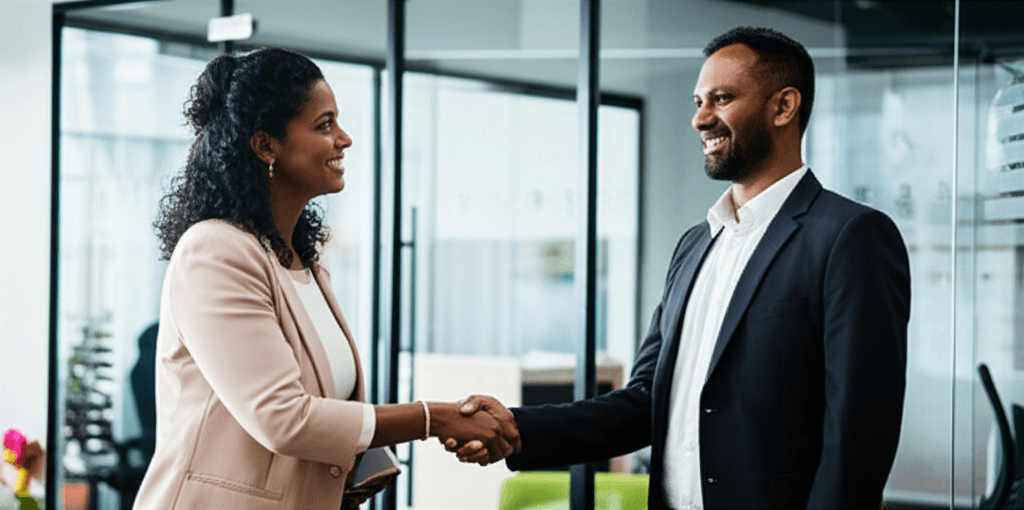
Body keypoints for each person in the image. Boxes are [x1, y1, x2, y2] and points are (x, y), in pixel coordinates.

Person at [452, 26, 911, 509]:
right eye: (697, 101)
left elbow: (859, 435)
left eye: (721, 98)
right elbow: (646, 400)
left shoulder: (849, 236)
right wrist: (516, 427)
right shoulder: (694, 246)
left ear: (783, 107)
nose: (700, 119)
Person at [134, 47, 519, 510]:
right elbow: (284, 419)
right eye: (324, 124)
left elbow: (327, 403)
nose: (345, 139)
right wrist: (433, 419)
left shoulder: (301, 260)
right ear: (266, 146)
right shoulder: (215, 252)